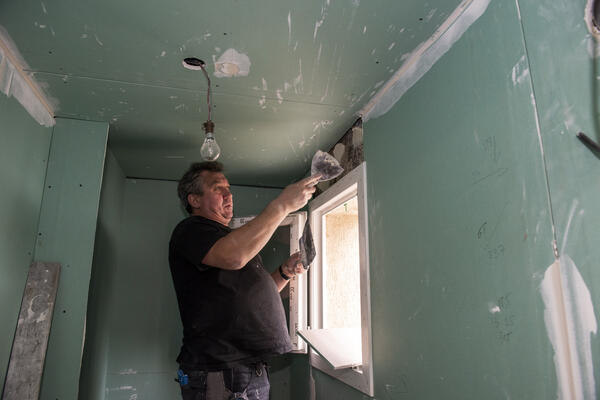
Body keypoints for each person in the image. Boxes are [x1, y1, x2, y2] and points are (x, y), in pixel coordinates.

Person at [169, 161, 320, 400]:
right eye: (218, 189)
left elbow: (250, 294)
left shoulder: (227, 240)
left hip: (247, 368)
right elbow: (235, 257)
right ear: (194, 200)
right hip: (220, 369)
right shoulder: (190, 230)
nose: (228, 194)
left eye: (228, 188)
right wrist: (281, 205)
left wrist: (285, 272)